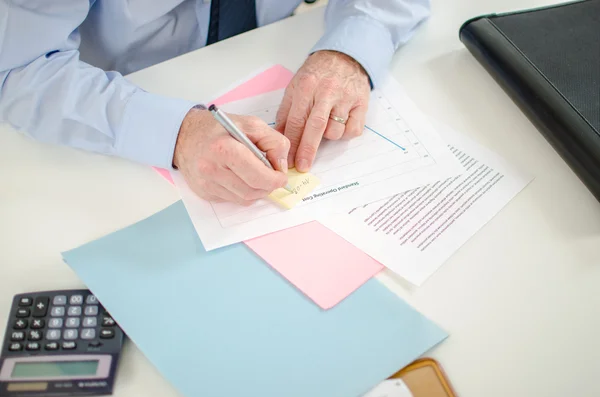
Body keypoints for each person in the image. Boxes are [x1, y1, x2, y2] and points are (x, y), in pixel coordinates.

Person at [0, 0, 430, 205]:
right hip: (103, 117)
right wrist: (177, 134)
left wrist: (351, 49)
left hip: (263, 51)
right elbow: (17, 68)